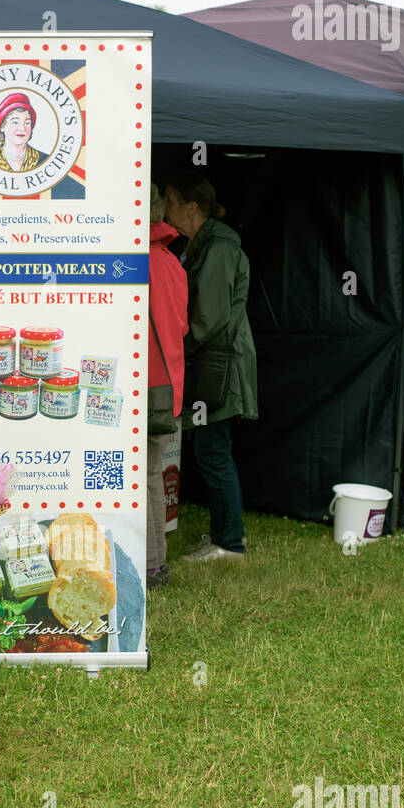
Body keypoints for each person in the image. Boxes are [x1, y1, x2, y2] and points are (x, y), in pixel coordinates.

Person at [164, 171, 258, 562]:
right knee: (210, 450)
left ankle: (229, 544)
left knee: (213, 451)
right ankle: (225, 535)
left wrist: (174, 347)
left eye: (169, 201)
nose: (164, 208)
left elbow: (210, 315)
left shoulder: (217, 247)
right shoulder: (200, 244)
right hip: (213, 362)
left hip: (221, 367)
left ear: (191, 207)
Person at [146, 183, 188, 588]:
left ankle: (150, 563)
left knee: (141, 474)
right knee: (152, 472)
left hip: (146, 384)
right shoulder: (172, 261)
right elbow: (183, 326)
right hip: (168, 385)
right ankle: (155, 560)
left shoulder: (138, 262)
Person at [0, 93, 48, 173]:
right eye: (15, 122)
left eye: (27, 123)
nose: (22, 128)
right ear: (2, 126)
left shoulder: (44, 160)